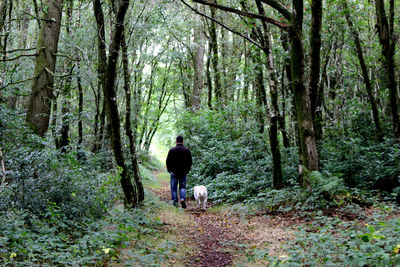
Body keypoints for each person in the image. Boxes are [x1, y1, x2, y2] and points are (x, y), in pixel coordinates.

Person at [166, 136, 192, 208]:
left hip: (174, 172)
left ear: (176, 141)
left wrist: (169, 170)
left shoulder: (172, 150)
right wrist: (187, 170)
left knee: (174, 188)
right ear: (182, 141)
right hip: (183, 172)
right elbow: (190, 162)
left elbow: (168, 161)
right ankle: (182, 198)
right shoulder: (187, 150)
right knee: (182, 187)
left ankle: (175, 202)